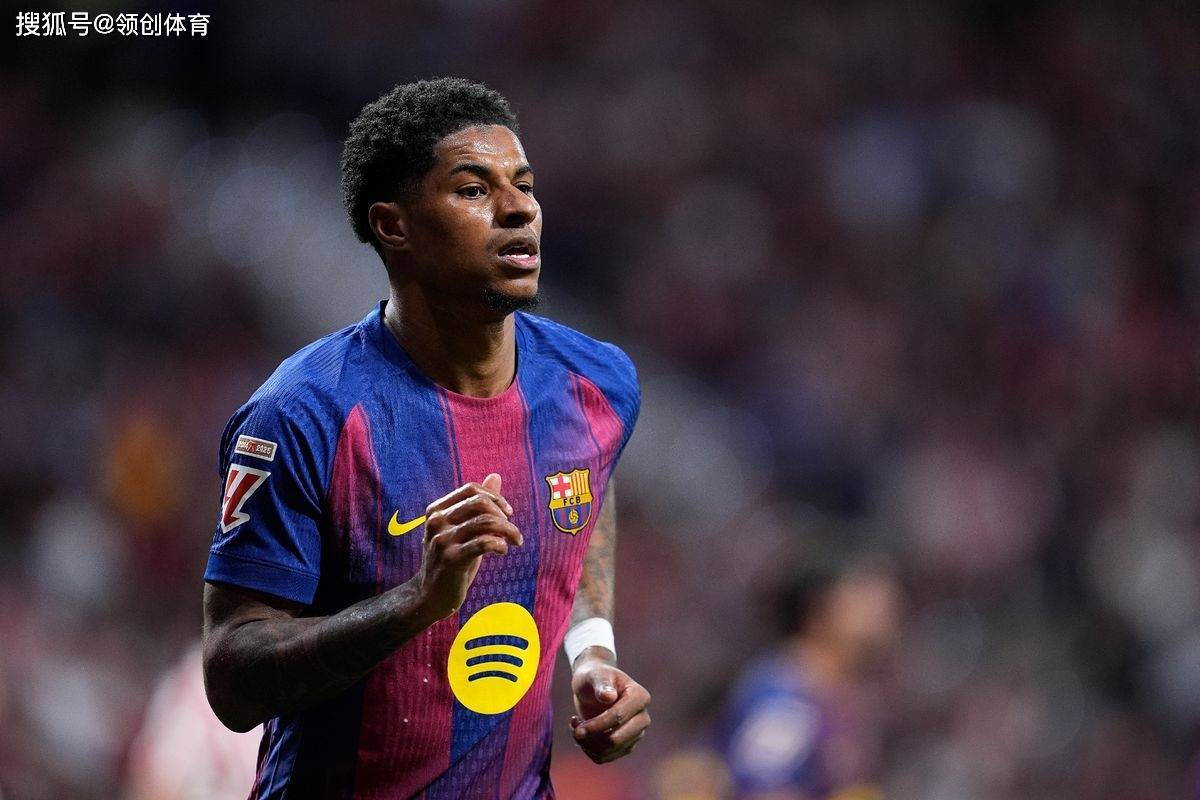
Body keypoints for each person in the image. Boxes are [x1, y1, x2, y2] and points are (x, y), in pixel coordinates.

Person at [200, 77, 650, 799]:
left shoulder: (596, 384)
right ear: (393, 226)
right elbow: (232, 679)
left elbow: (585, 489)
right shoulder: (301, 416)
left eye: (524, 185)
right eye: (474, 190)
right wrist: (417, 601)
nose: (519, 209)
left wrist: (593, 652)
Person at [716, 548, 901, 800]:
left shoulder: (839, 692)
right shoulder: (783, 698)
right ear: (818, 606)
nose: (884, 606)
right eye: (864, 591)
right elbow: (762, 790)